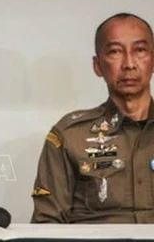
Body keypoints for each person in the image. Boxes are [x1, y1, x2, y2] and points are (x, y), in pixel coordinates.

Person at [31, 12, 154, 223]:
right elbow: (46, 226)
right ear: (97, 65)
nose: (129, 64)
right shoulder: (70, 136)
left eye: (140, 50)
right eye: (115, 52)